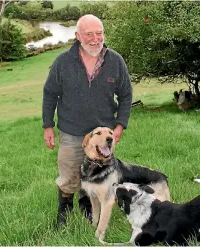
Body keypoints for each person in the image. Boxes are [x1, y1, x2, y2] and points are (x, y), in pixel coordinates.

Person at [42, 14, 132, 228]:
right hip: (71, 131)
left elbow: (126, 95)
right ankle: (64, 211)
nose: (95, 38)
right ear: (77, 36)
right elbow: (49, 93)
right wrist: (48, 125)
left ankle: (88, 207)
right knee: (69, 175)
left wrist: (120, 124)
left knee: (99, 173)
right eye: (89, 34)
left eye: (99, 33)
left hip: (103, 133)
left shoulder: (115, 60)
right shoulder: (63, 62)